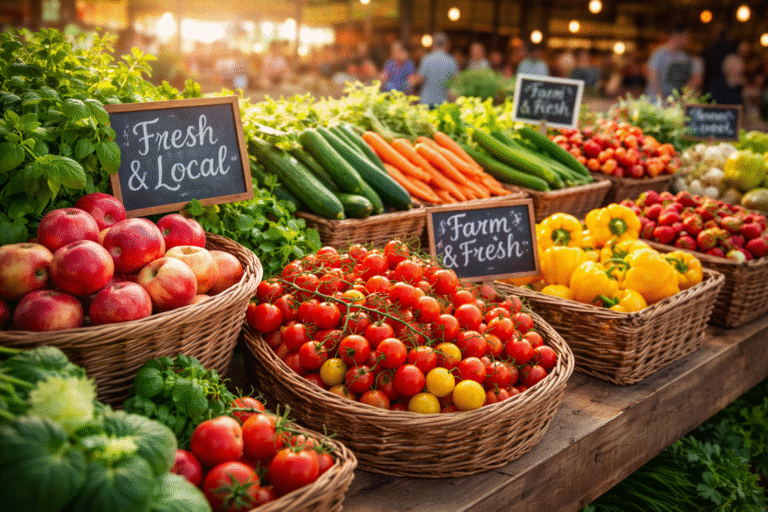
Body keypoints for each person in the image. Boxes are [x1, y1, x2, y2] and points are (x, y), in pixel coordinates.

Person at [645, 25, 703, 101]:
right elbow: (653, 78)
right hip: (655, 102)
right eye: (686, 37)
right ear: (677, 36)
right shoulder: (659, 54)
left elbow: (694, 79)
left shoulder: (684, 57)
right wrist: (661, 99)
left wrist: (681, 99)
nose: (687, 41)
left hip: (673, 104)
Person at [410, 32, 458, 108]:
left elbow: (420, 79)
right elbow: (455, 81)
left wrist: (412, 79)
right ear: (447, 45)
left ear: (433, 45)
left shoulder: (426, 59)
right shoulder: (451, 60)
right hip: (443, 102)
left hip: (427, 101)